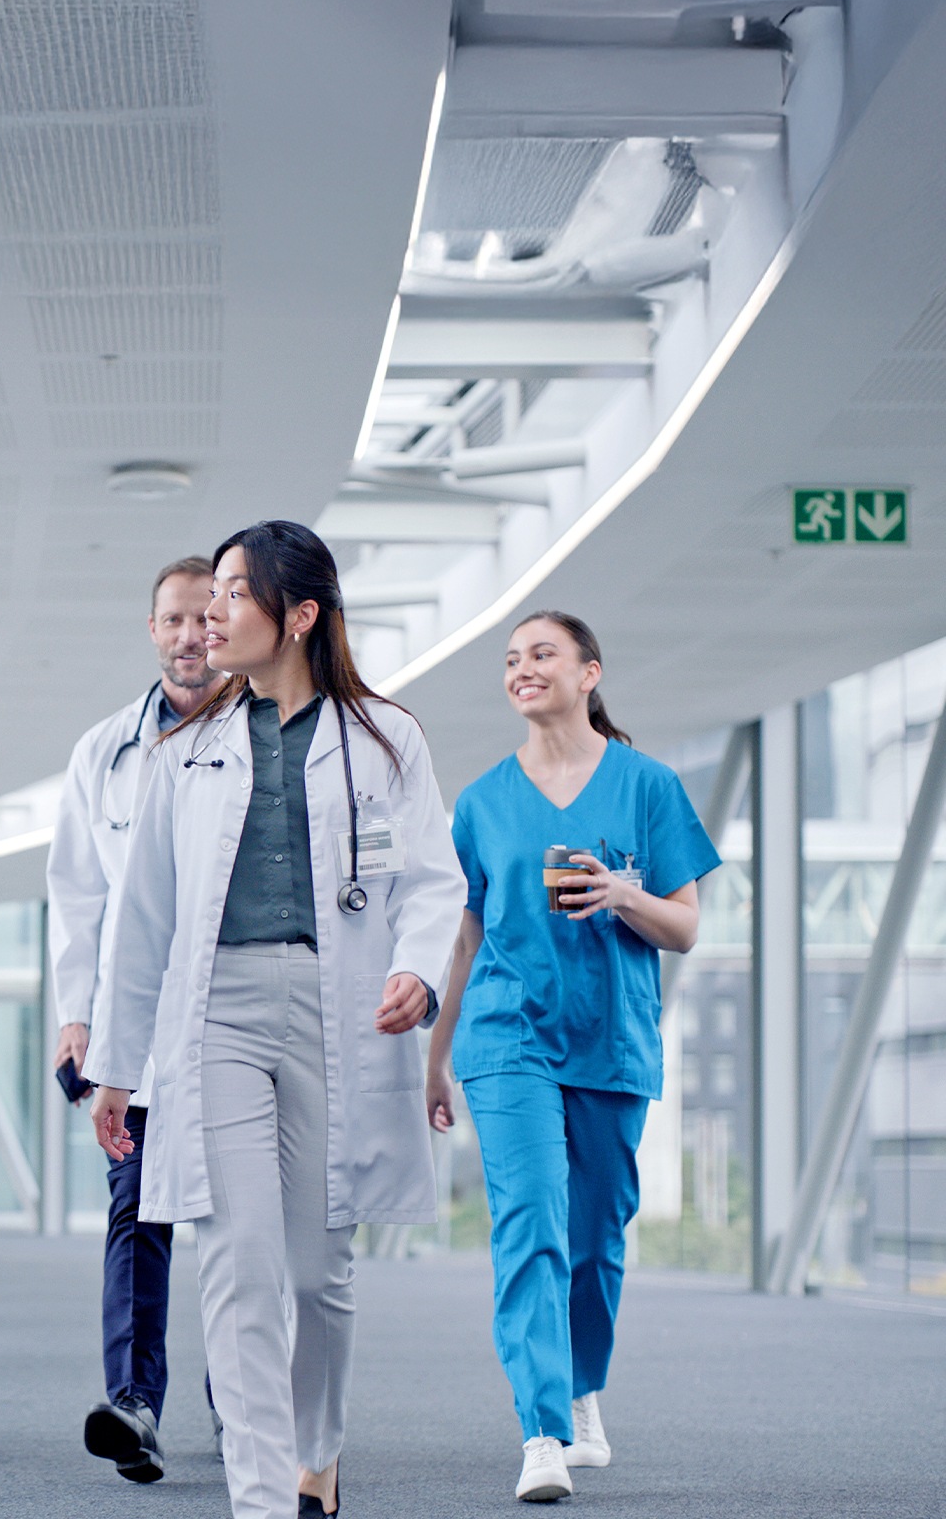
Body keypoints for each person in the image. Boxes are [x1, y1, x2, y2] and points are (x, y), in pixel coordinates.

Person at [86, 521, 465, 1519]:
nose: (212, 615)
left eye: (233, 594)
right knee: (238, 1261)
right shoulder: (188, 747)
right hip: (218, 1016)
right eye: (209, 595)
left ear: (299, 615)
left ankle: (319, 1453)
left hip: (341, 1012)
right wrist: (119, 1065)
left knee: (316, 1274)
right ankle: (261, 1502)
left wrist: (418, 975)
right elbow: (143, 918)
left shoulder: (387, 738)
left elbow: (432, 880)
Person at [424, 610, 718, 1504]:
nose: (522, 669)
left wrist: (623, 893)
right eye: (511, 659)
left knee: (595, 1239)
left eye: (541, 654)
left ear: (590, 672)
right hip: (508, 1038)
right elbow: (466, 941)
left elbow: (687, 928)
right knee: (531, 1226)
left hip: (610, 1039)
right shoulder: (480, 803)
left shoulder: (648, 786)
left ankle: (583, 1391)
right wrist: (434, 1058)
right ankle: (542, 1430)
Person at [46, 556, 220, 1483]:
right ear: (151, 629)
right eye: (173, 620)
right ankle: (136, 1403)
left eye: (206, 618)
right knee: (136, 1215)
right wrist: (77, 1017)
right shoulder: (102, 751)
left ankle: (241, 1400)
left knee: (240, 1227)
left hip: (238, 1021)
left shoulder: (267, 738)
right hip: (133, 1031)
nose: (190, 636)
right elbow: (78, 897)